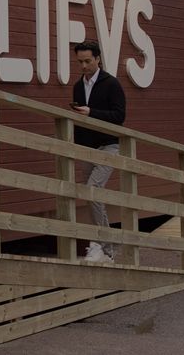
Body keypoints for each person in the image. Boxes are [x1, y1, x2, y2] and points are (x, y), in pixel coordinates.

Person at [69, 39, 127, 263]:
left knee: (93, 190)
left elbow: (119, 116)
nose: (84, 66)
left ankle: (103, 246)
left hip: (108, 145)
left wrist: (91, 112)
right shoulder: (78, 86)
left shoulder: (112, 84)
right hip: (86, 147)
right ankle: (105, 247)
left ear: (98, 59)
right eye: (80, 62)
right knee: (92, 196)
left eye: (87, 61)